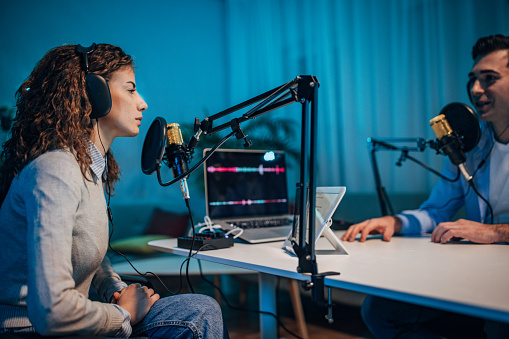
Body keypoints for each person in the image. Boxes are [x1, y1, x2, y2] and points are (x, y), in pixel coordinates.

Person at [0, 43, 228, 338]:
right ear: (95, 94)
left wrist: (115, 291)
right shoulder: (56, 171)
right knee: (200, 312)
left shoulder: (88, 168)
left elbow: (84, 252)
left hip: (67, 323)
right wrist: (123, 313)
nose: (142, 103)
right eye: (131, 89)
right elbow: (52, 313)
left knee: (199, 309)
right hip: (29, 330)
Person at [341, 34, 509, 338]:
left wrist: (492, 232)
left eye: (489, 79)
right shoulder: (471, 144)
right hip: (476, 272)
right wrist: (395, 221)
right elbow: (436, 209)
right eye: (472, 79)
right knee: (379, 311)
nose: (475, 89)